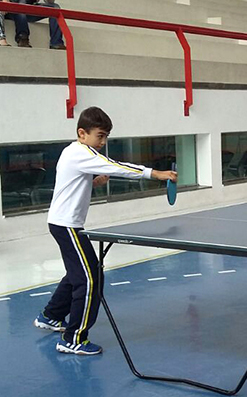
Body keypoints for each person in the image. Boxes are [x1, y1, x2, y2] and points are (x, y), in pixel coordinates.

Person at [33, 107, 177, 355]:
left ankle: (51, 315)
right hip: (66, 225)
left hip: (63, 223)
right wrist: (156, 174)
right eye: (100, 136)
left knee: (82, 272)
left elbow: (74, 181)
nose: (103, 142)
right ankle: (74, 338)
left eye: (106, 137)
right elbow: (116, 166)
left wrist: (92, 181)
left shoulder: (72, 151)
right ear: (82, 133)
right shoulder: (81, 152)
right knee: (90, 280)